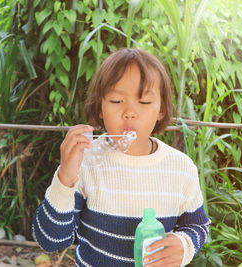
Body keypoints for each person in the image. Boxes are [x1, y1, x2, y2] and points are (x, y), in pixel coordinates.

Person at [32, 48, 211, 266]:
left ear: (161, 110)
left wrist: (184, 246)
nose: (130, 112)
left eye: (144, 102)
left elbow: (198, 227)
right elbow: (51, 241)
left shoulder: (181, 169)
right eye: (117, 101)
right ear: (100, 108)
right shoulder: (85, 162)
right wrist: (65, 178)